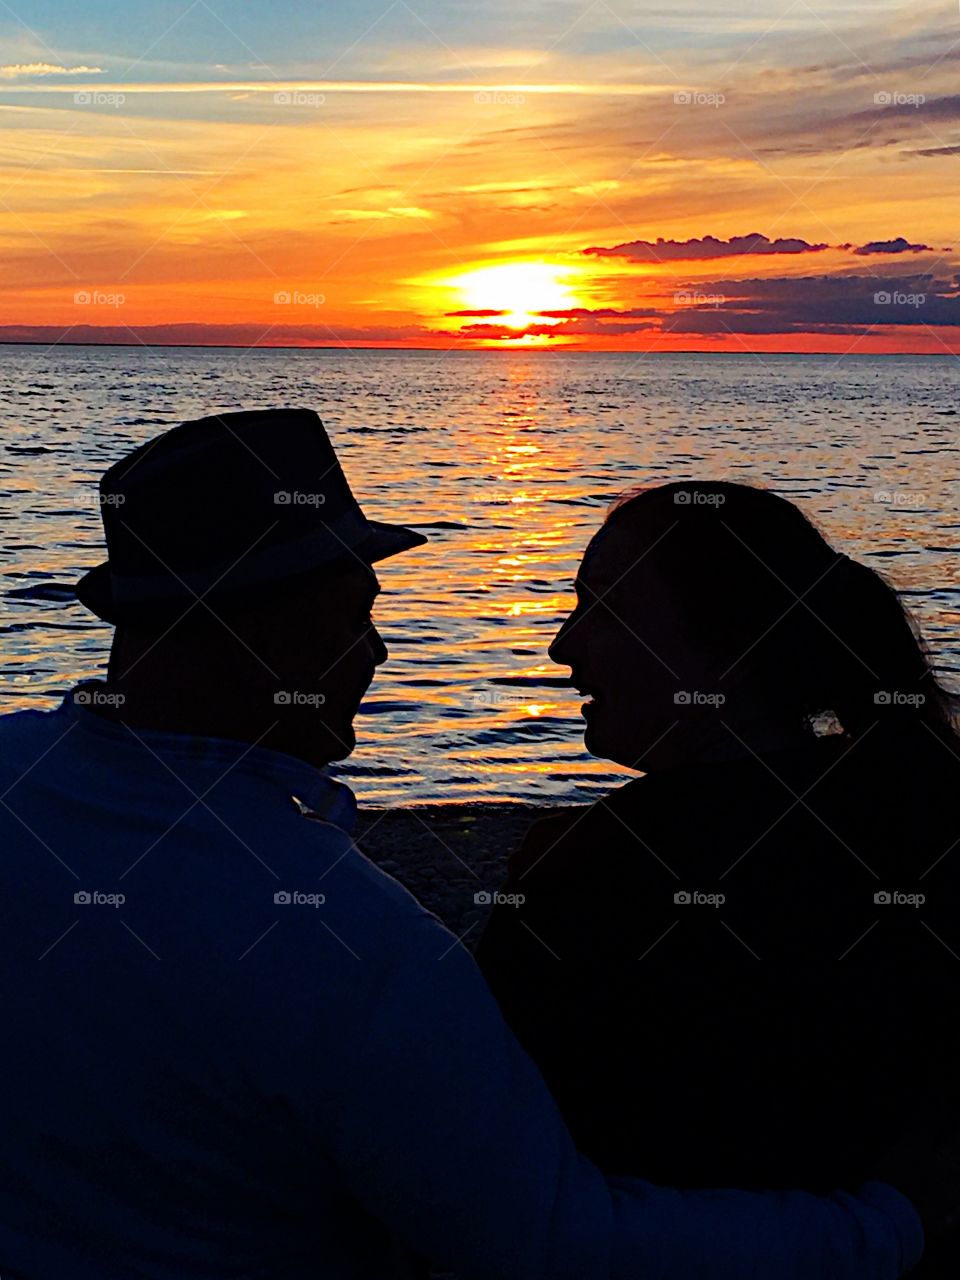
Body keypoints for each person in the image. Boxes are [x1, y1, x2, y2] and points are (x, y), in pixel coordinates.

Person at [0, 421, 927, 1279]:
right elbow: (545, 1242)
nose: (380, 654)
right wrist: (893, 1225)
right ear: (274, 634)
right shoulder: (351, 943)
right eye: (360, 614)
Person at [476, 479, 960, 1276]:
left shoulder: (604, 875)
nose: (564, 646)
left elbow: (513, 1163)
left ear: (724, 650)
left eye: (603, 609)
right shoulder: (915, 804)